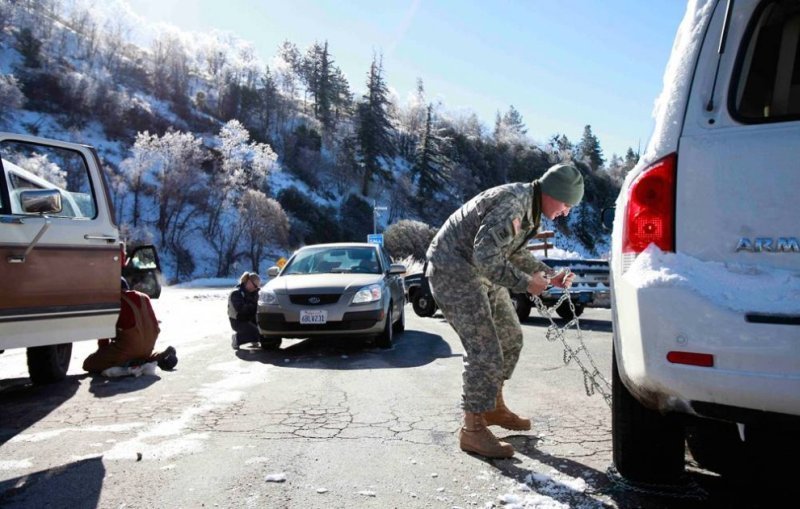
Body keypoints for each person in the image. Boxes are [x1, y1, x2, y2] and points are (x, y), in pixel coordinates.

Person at [426, 163, 584, 459]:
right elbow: (485, 256)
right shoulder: (514, 204)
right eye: (566, 203)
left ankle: (492, 407)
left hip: (478, 271)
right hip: (454, 271)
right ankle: (472, 430)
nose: (566, 211)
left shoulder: (531, 206)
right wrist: (526, 283)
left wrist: (550, 276)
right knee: (484, 350)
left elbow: (514, 252)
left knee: (511, 339)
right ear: (552, 193)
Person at [83, 277, 177, 374]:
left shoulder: (114, 301)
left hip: (129, 347)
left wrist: (103, 354)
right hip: (148, 345)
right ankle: (157, 357)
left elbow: (104, 335)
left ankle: (127, 366)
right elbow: (154, 325)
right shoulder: (144, 297)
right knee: (139, 353)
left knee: (88, 364)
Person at [228, 271, 272, 350]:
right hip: (238, 320)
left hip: (251, 318)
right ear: (248, 282)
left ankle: (253, 338)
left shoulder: (255, 292)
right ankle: (237, 339)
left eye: (258, 287)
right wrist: (255, 306)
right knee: (256, 333)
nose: (256, 288)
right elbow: (241, 309)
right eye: (255, 286)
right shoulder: (236, 293)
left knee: (265, 333)